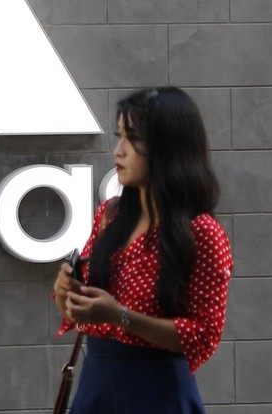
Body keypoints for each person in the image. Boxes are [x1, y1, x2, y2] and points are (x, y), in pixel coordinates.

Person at [52, 87, 233, 413]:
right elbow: (86, 314)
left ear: (167, 148)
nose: (118, 151)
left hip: (157, 393)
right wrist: (69, 295)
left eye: (132, 139)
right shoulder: (111, 214)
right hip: (96, 389)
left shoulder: (201, 232)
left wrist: (120, 316)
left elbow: (203, 335)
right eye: (118, 136)